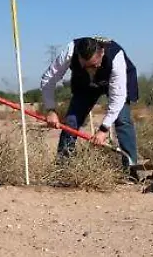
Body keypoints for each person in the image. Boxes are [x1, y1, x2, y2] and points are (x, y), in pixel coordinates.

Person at [40, 36, 140, 170]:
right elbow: (48, 79)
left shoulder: (116, 58)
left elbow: (118, 98)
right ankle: (63, 167)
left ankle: (131, 167)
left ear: (102, 52)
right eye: (85, 66)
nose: (91, 70)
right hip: (84, 84)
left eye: (94, 65)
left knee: (122, 119)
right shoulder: (70, 52)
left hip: (116, 83)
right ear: (79, 57)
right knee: (71, 120)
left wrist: (104, 129)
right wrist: (50, 110)